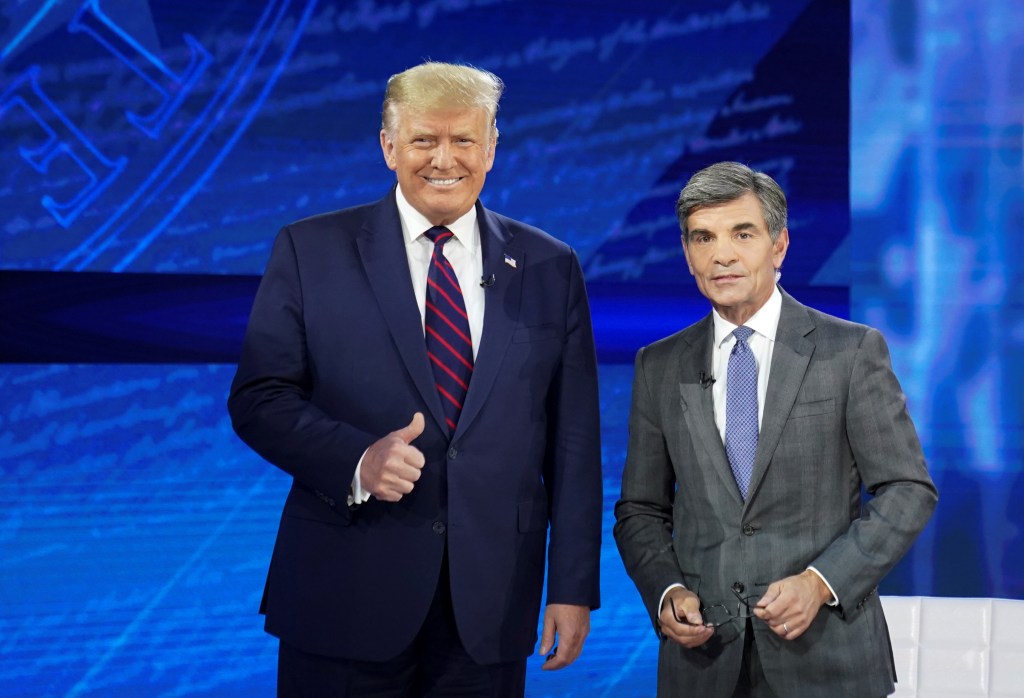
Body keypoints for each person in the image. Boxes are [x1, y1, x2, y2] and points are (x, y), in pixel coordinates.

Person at [228, 61, 602, 697]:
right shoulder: (310, 249)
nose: (444, 159)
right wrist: (356, 459)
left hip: (491, 602)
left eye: (464, 141)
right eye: (425, 139)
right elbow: (259, 398)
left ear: (491, 149)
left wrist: (571, 588)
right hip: (345, 590)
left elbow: (573, 440)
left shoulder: (549, 264)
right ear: (388, 146)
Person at [613, 161, 937, 697]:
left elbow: (908, 490)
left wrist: (822, 582)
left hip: (828, 660)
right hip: (704, 665)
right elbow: (640, 510)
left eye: (743, 234)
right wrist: (666, 590)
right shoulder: (658, 365)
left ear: (779, 246)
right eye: (703, 237)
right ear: (687, 252)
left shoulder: (851, 352)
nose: (722, 255)